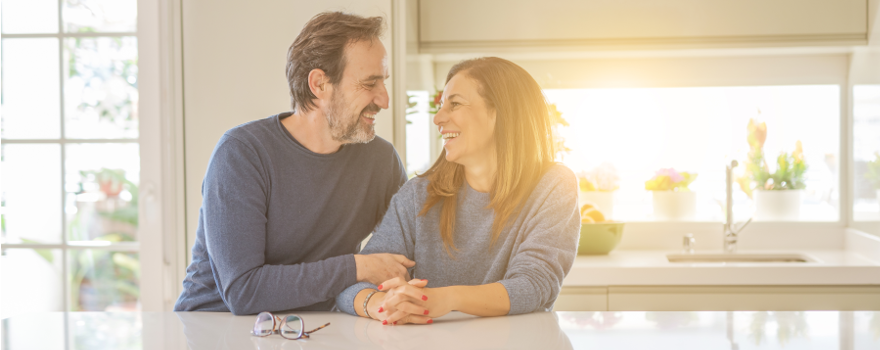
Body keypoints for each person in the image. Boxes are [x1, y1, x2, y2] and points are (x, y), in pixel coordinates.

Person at [174, 12, 416, 315]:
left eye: (384, 82)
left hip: (313, 328)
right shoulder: (242, 154)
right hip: (214, 329)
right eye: (370, 83)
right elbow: (243, 291)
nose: (384, 100)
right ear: (319, 84)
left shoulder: (380, 160)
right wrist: (358, 266)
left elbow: (414, 246)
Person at [336, 57, 580, 324]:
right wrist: (380, 303)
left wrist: (444, 299)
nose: (438, 119)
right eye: (441, 106)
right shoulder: (418, 195)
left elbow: (533, 285)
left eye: (455, 104)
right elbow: (354, 283)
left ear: (501, 112)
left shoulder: (553, 186)